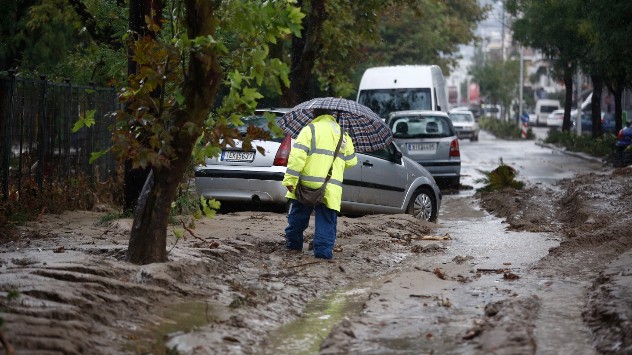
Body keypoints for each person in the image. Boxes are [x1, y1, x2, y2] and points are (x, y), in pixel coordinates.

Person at [282, 108, 357, 259]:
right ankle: (323, 254)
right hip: (331, 187)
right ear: (332, 115)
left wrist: (290, 180)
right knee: (327, 221)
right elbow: (351, 162)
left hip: (306, 185)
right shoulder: (343, 135)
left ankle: (293, 245)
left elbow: (297, 157)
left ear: (315, 114)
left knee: (298, 216)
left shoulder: (310, 129)